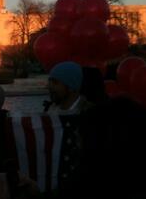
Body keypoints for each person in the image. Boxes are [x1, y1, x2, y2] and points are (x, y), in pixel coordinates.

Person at [43, 61, 90, 195]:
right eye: (50, 82)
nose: (49, 87)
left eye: (55, 83)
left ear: (71, 86)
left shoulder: (88, 113)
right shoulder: (49, 110)